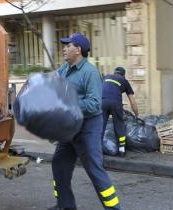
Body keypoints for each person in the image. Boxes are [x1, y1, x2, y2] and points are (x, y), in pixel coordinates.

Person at [49, 32, 121, 210]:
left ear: (78, 50)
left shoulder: (90, 73)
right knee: (59, 164)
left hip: (87, 128)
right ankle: (65, 205)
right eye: (64, 46)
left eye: (68, 45)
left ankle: (114, 209)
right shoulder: (65, 69)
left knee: (95, 170)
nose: (64, 49)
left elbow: (95, 104)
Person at [101, 67, 139, 157]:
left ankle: (97, 150)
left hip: (102, 102)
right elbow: (132, 101)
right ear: (123, 75)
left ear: (114, 73)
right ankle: (121, 149)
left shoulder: (106, 77)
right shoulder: (124, 81)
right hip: (116, 103)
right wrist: (137, 115)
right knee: (119, 125)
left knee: (100, 126)